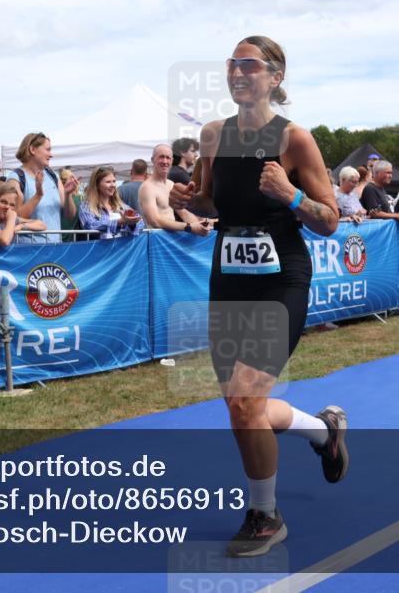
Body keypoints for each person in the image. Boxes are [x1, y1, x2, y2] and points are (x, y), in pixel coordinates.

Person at [169, 36, 348, 558]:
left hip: (281, 279)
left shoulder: (294, 139)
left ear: (274, 77)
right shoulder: (212, 135)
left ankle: (265, 515)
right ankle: (323, 430)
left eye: (248, 65)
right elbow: (209, 197)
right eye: (231, 64)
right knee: (241, 406)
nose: (237, 72)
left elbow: (331, 220)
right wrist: (188, 198)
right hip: (229, 280)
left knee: (247, 402)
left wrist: (291, 195)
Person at [12, 132, 79, 244]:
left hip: (55, 249)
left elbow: (69, 215)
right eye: (47, 150)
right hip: (29, 251)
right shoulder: (16, 179)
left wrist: (68, 195)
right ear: (33, 149)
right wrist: (38, 195)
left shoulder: (53, 176)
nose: (51, 155)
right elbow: (14, 218)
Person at [140, 144, 210, 236]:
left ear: (172, 161)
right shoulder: (147, 187)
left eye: (168, 158)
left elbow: (184, 213)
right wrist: (189, 227)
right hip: (157, 243)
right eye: (161, 157)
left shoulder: (171, 184)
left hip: (171, 242)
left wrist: (200, 225)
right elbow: (155, 221)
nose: (165, 161)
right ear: (153, 160)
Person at [77, 166, 146, 239]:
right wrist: (120, 222)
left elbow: (140, 222)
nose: (113, 185)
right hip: (99, 249)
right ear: (97, 185)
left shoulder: (121, 206)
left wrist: (131, 224)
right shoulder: (86, 206)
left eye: (114, 181)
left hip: (120, 249)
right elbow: (90, 225)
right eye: (108, 182)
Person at [0, 183, 45, 247]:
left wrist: (22, 226)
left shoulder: (14, 220)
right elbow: (4, 240)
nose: (7, 207)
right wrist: (11, 219)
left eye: (12, 205)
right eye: (3, 202)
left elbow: (42, 225)